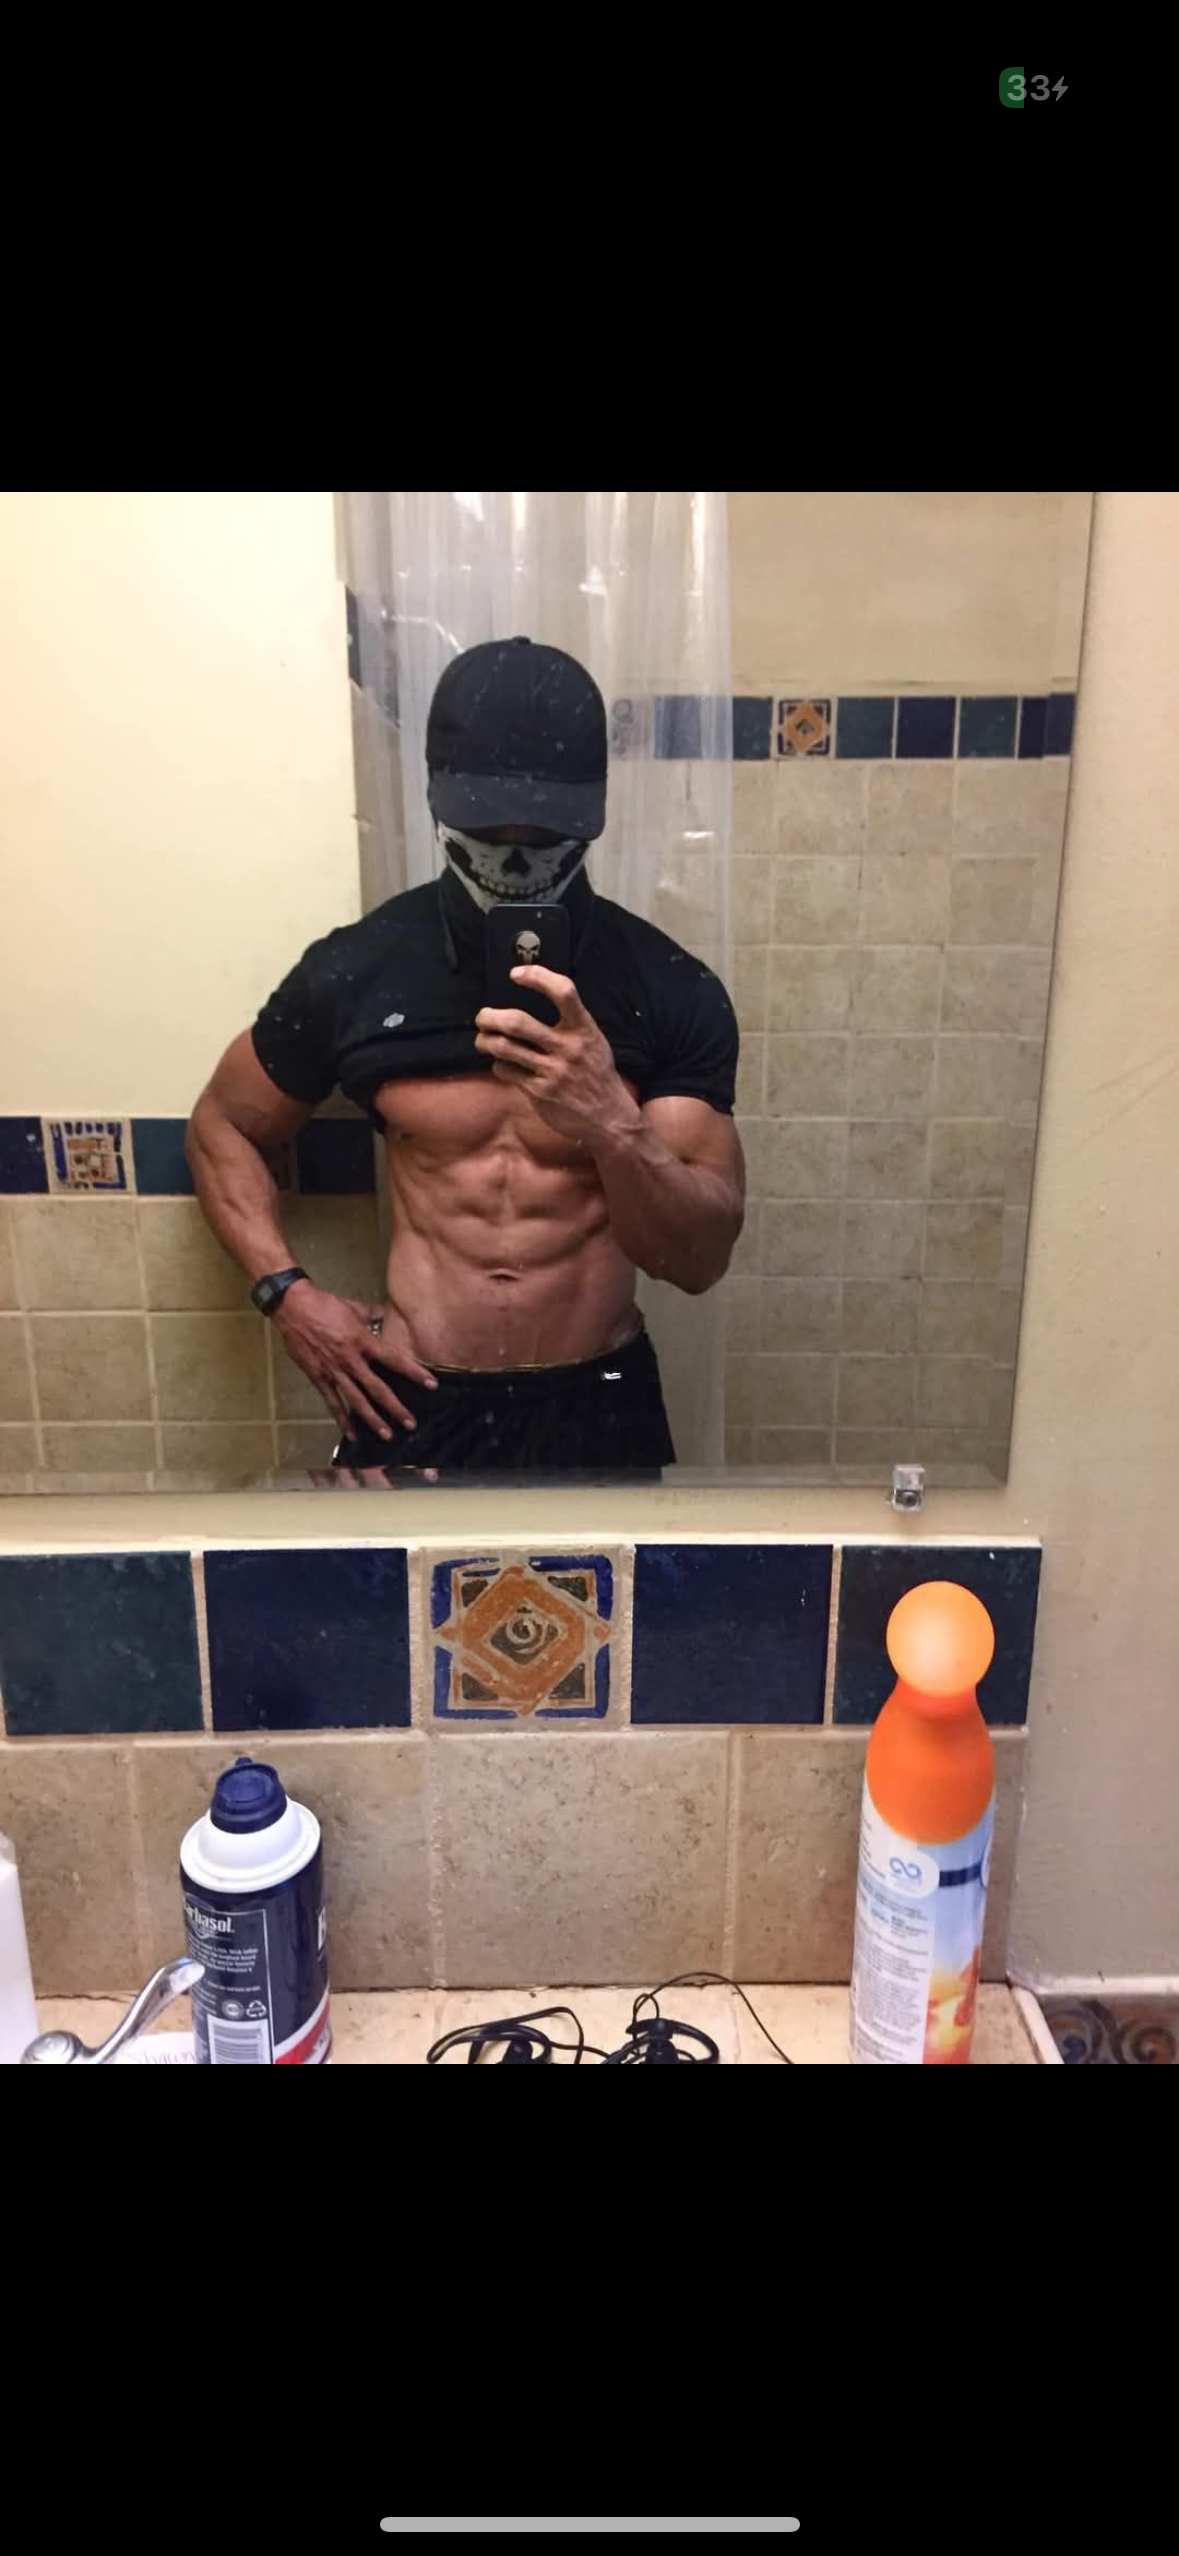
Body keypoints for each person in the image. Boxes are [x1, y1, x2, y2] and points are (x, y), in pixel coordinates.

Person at [186, 636, 744, 1481]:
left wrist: (610, 1122)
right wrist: (288, 1296)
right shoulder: (359, 969)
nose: (515, 847)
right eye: (487, 823)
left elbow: (697, 1262)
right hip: (413, 1394)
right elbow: (222, 1125)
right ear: (436, 799)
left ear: (592, 809)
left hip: (596, 1398)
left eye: (543, 827)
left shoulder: (665, 986)